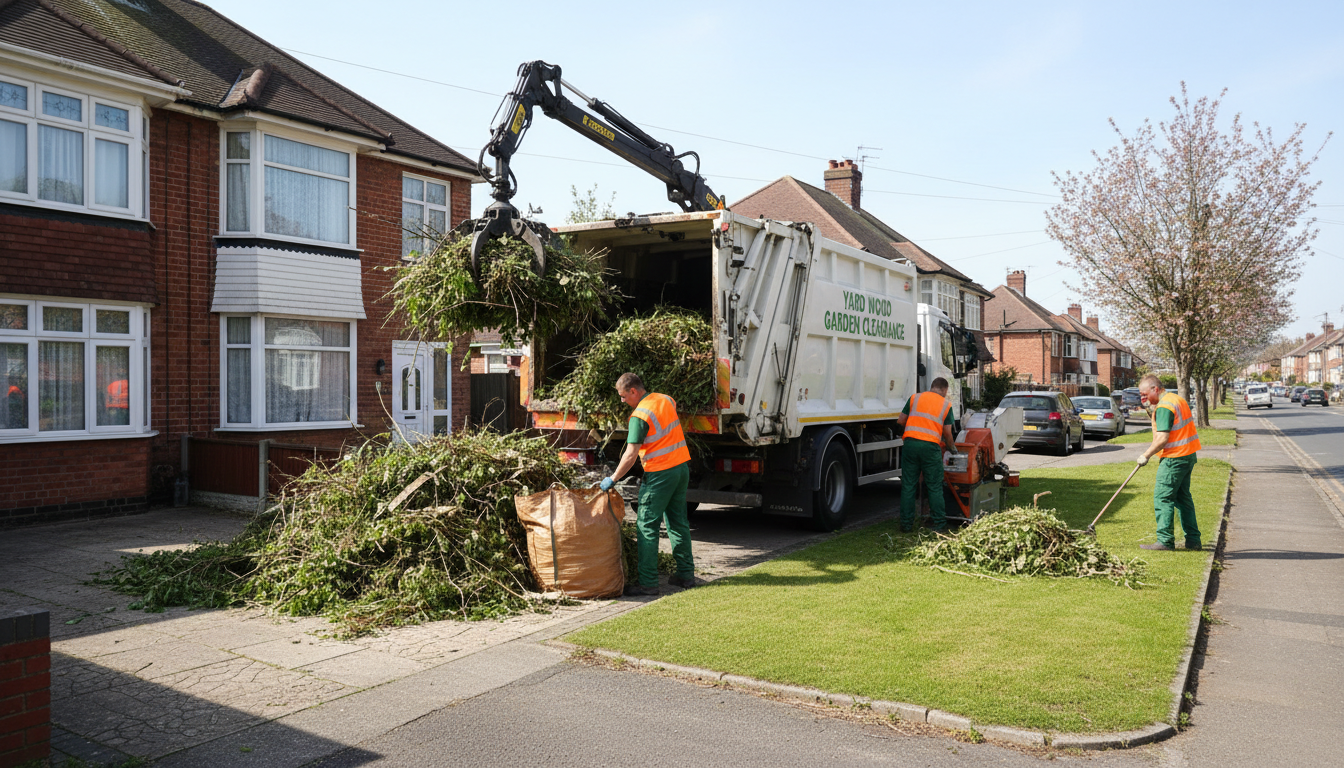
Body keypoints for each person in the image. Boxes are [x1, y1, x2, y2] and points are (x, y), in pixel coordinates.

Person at [600, 372, 695, 596]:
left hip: (660, 473)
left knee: (646, 526)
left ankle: (648, 583)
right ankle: (686, 575)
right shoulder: (665, 399)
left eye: (623, 396)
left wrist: (613, 479)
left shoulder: (639, 416)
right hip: (681, 469)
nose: (622, 401)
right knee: (678, 522)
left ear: (634, 391)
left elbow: (630, 455)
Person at [1135, 374, 1202, 551]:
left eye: (1144, 394)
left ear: (1155, 389)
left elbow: (1162, 438)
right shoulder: (1176, 399)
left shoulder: (1165, 407)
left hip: (1174, 458)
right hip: (1188, 455)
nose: (1143, 398)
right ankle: (1193, 540)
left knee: (1163, 497)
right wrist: (1150, 408)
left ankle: (1165, 540)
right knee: (1183, 499)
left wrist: (1145, 455)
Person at [896, 377, 958, 533]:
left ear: (932, 387)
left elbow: (901, 420)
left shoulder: (915, 398)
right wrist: (952, 448)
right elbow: (947, 433)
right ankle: (939, 523)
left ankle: (906, 524)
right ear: (944, 390)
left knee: (909, 486)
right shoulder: (945, 404)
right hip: (930, 447)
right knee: (934, 486)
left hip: (910, 445)